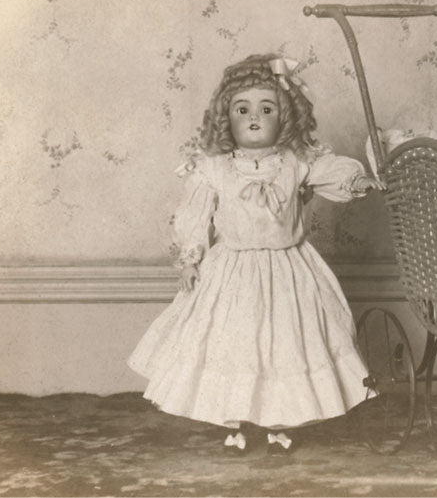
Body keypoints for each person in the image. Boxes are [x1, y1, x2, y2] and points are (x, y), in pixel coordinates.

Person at [128, 53, 383, 455]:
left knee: (286, 345)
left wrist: (358, 181)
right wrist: (191, 259)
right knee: (234, 345)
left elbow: (332, 172)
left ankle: (280, 424)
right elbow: (195, 215)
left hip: (288, 270)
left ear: (285, 118)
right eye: (242, 109)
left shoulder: (297, 162)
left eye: (267, 109)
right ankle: (235, 421)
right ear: (225, 117)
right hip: (232, 271)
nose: (253, 118)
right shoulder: (214, 168)